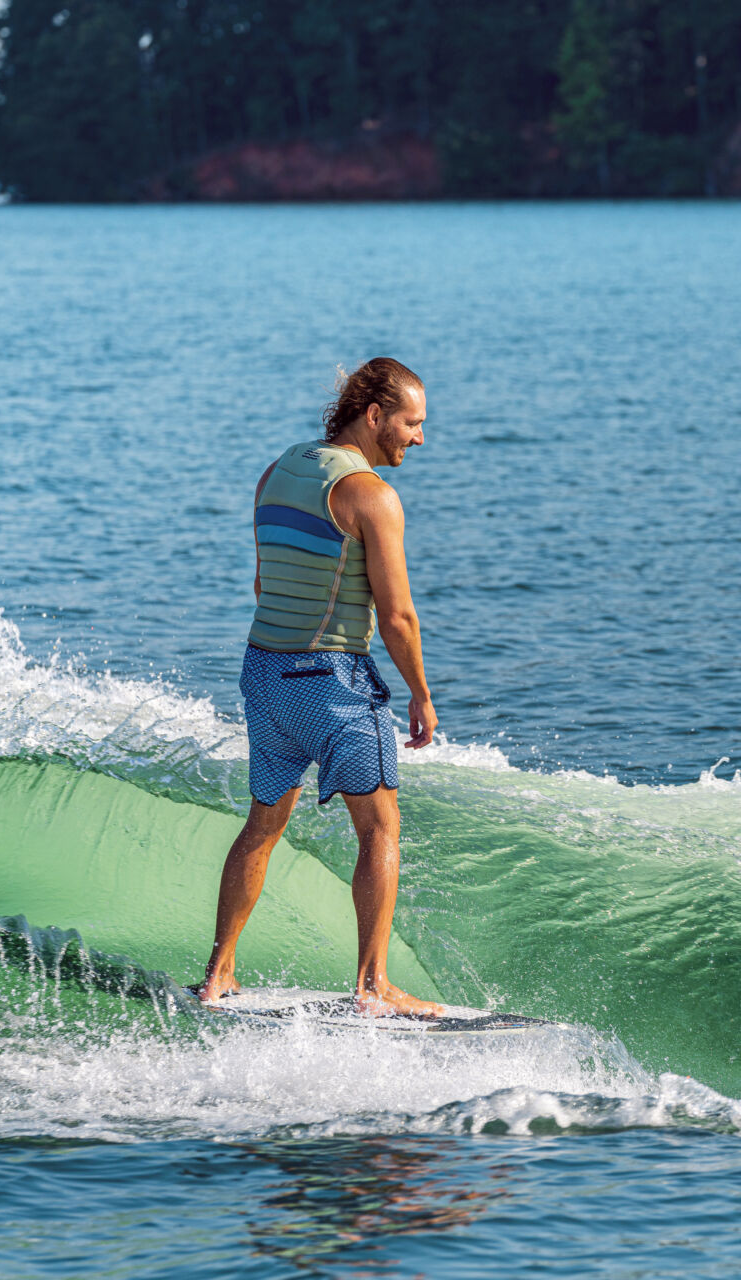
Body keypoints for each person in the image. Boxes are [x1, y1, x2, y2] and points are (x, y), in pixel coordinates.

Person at [197, 357, 443, 1017]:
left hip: (263, 672)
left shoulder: (277, 471)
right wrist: (421, 694)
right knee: (380, 828)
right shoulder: (371, 496)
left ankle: (219, 973)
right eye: (412, 423)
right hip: (330, 681)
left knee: (263, 824)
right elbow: (397, 617)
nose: (419, 437)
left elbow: (263, 584)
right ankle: (374, 987)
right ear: (374, 415)